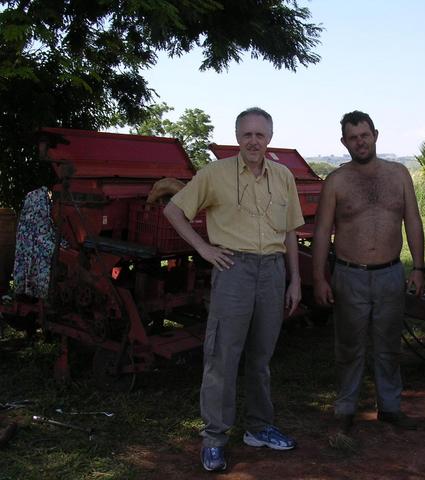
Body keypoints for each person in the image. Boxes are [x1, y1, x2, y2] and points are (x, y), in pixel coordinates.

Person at [164, 107, 304, 473]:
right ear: (237, 137)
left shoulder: (284, 176)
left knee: (261, 356)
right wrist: (204, 249)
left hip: (272, 271)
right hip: (234, 269)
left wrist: (296, 280)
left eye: (260, 134)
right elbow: (174, 210)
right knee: (222, 356)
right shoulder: (215, 174)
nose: (254, 141)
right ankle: (214, 438)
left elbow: (290, 231)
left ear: (269, 137)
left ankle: (258, 427)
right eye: (247, 134)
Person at [312, 110, 425, 437]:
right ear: (344, 142)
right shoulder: (337, 181)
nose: (359, 142)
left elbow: (414, 222)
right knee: (349, 346)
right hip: (350, 276)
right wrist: (320, 277)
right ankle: (345, 410)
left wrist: (418, 268)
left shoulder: (399, 174)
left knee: (389, 344)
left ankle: (390, 408)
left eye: (364, 135)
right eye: (352, 137)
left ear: (375, 134)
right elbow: (322, 232)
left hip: (391, 273)